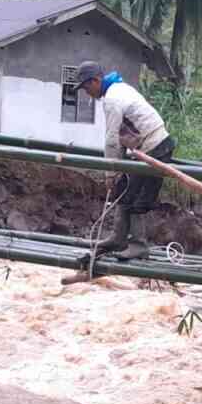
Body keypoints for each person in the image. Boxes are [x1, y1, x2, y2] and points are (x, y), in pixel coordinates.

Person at [74, 61, 175, 260]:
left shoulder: (112, 99)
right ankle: (118, 238)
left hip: (155, 147)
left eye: (87, 87)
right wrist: (117, 172)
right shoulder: (118, 89)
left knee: (137, 197)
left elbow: (112, 140)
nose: (87, 92)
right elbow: (119, 139)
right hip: (146, 147)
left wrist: (110, 172)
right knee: (124, 191)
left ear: (96, 81)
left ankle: (139, 245)